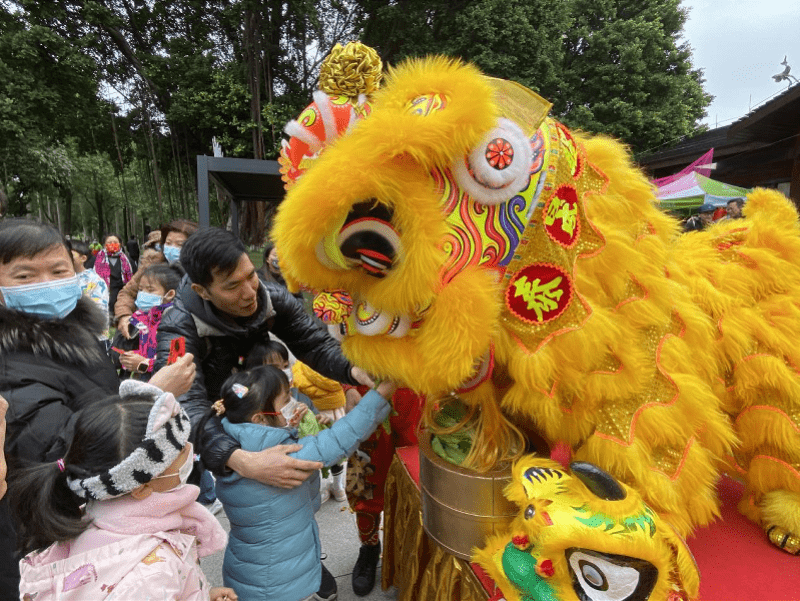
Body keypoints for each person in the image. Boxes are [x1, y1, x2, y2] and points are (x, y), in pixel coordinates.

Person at [0, 219, 196, 598]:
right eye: (25, 275)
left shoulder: (72, 332)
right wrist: (149, 394)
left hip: (102, 516)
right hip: (50, 534)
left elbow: (91, 396)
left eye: (58, 271)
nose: (47, 283)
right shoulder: (8, 363)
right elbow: (54, 450)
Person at [10, 381, 236, 601]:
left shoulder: (96, 517)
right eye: (179, 451)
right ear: (141, 488)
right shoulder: (151, 577)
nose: (189, 450)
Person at [212, 365, 396, 601]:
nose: (293, 403)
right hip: (278, 582)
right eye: (286, 400)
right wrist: (379, 396)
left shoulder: (232, 445)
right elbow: (339, 440)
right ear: (260, 419)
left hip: (250, 569)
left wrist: (288, 429)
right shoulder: (279, 459)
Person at [116, 219, 197, 338]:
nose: (172, 249)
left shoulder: (201, 273)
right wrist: (124, 316)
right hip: (147, 334)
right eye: (168, 243)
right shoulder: (151, 265)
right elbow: (127, 292)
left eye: (180, 245)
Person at [118, 264, 182, 378]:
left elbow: (177, 361)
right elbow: (147, 352)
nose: (143, 294)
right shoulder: (144, 316)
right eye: (141, 289)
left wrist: (144, 364)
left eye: (150, 290)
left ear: (170, 294)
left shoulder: (177, 320)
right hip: (146, 381)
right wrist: (130, 358)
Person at [69, 239, 110, 336]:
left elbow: (100, 310)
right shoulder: (59, 279)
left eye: (70, 255)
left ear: (83, 258)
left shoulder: (94, 280)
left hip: (91, 337)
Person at [93, 233, 134, 316]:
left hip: (122, 292)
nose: (112, 244)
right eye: (109, 242)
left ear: (120, 244)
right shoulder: (97, 260)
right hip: (105, 293)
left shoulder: (127, 260)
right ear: (104, 245)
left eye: (115, 242)